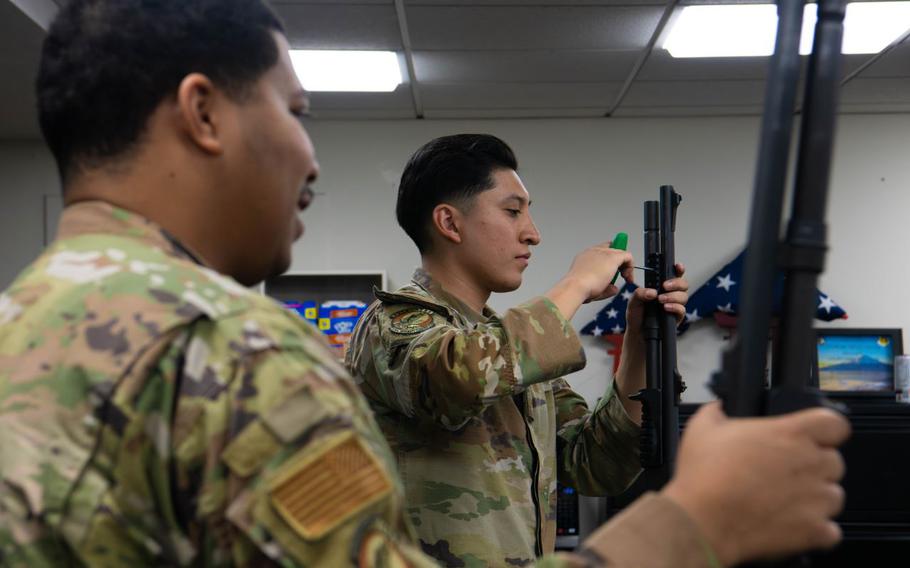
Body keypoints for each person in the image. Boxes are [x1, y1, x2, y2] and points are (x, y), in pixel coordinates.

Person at [0, 1, 849, 567]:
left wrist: (630, 359)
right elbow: (455, 377)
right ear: (204, 113)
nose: (311, 155)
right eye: (294, 113)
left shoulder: (26, 322)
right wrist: (695, 526)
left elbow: (591, 465)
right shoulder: (252, 345)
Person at [345, 133, 691, 565]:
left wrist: (638, 340)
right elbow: (462, 377)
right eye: (512, 212)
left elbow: (597, 465)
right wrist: (575, 284)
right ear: (450, 224)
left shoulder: (510, 348)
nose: (533, 234)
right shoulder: (393, 323)